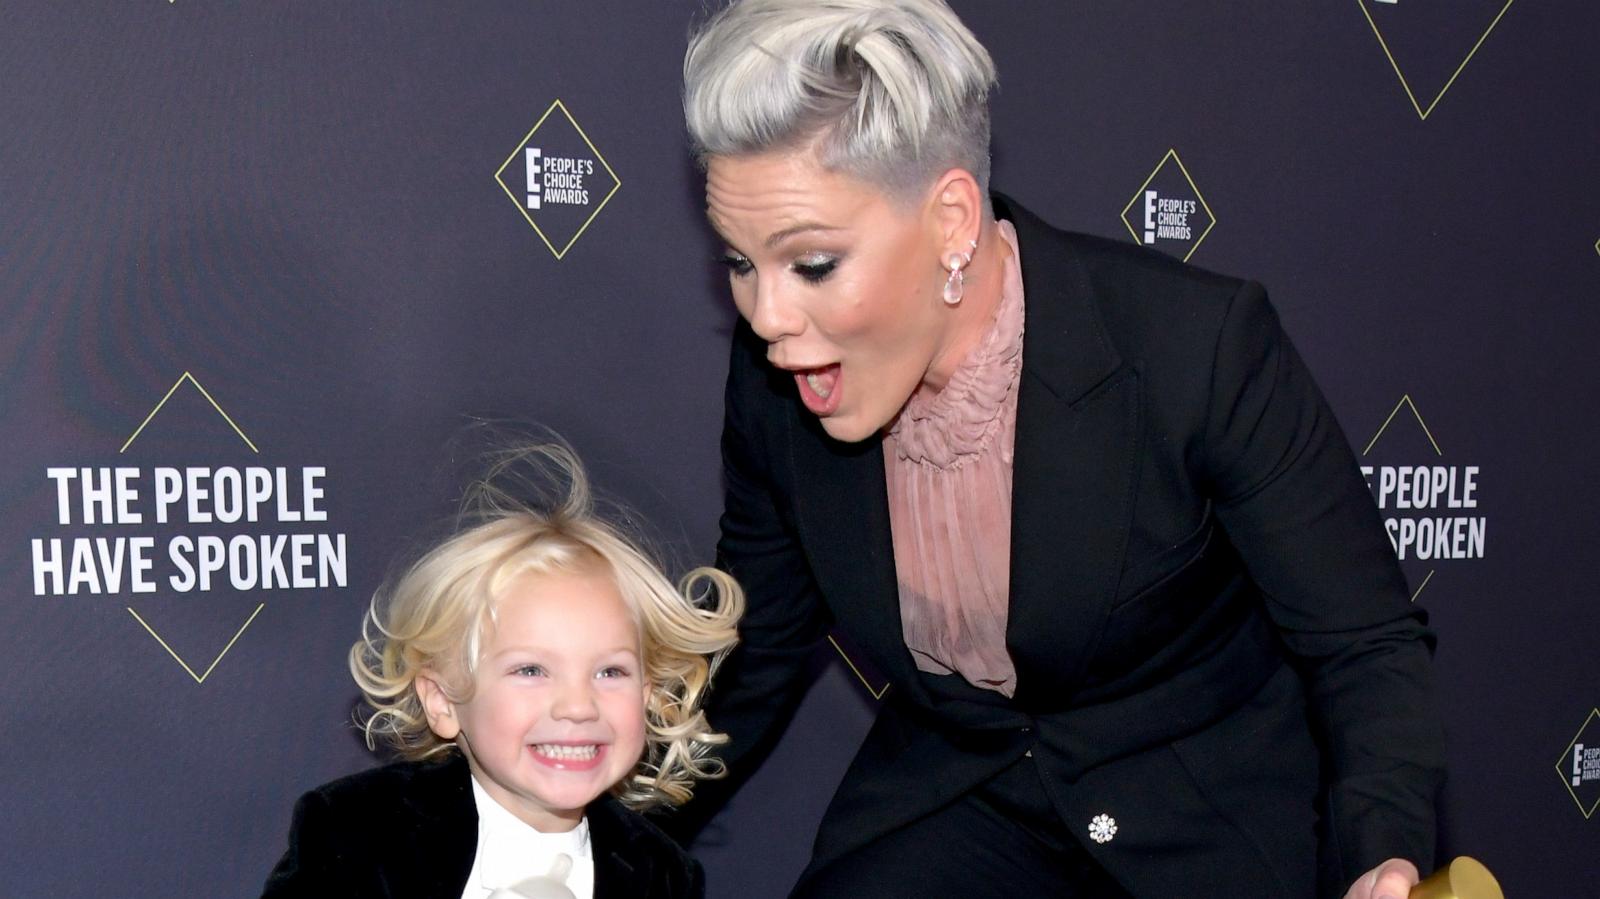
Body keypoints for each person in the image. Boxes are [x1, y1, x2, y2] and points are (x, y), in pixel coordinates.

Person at [676, 1, 1445, 896]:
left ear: (952, 221)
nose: (767, 318)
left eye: (811, 265)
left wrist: (1385, 854)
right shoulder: (781, 379)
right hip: (958, 797)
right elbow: (756, 649)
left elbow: (1365, 643)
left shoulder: (1195, 347)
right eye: (739, 263)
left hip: (1197, 810)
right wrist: (566, 821)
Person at [262, 444, 744, 898]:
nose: (577, 705)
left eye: (610, 672)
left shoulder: (661, 874)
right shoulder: (359, 831)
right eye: (532, 670)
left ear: (649, 693)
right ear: (444, 700)